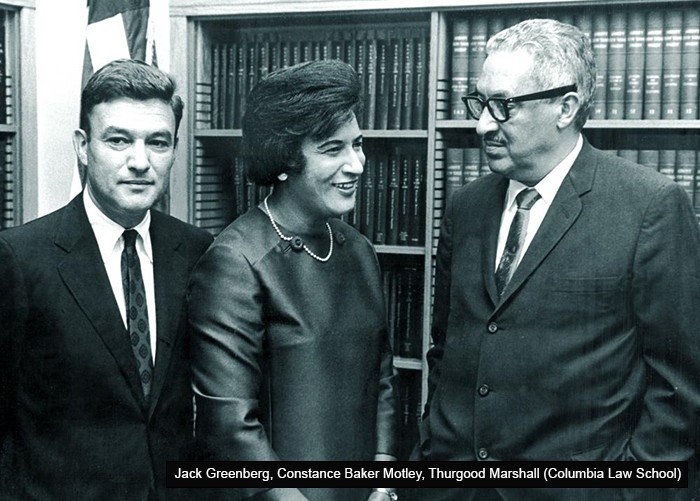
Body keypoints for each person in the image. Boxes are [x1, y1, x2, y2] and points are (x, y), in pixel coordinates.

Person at [412, 19, 700, 500]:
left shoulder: (649, 206)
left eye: (503, 106)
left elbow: (680, 389)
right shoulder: (466, 206)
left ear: (566, 107)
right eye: (480, 103)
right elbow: (448, 349)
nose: (482, 123)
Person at [0, 59, 213, 500]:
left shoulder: (196, 250)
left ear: (175, 149)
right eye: (118, 140)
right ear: (82, 146)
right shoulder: (20, 258)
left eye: (158, 142)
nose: (140, 161)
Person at [188, 59, 398, 501]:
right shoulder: (235, 261)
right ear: (284, 158)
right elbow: (231, 427)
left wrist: (384, 474)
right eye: (332, 149)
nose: (357, 164)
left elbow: (381, 378)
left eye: (357, 145)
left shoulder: (358, 250)